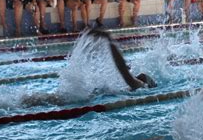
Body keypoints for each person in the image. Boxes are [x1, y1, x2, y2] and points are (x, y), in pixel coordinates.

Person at [22, 28, 156, 107]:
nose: (141, 75)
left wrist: (109, 41)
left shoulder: (139, 86)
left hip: (88, 98)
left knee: (51, 100)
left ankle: (23, 102)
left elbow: (122, 70)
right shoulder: (125, 89)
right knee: (48, 100)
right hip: (91, 96)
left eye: (143, 77)